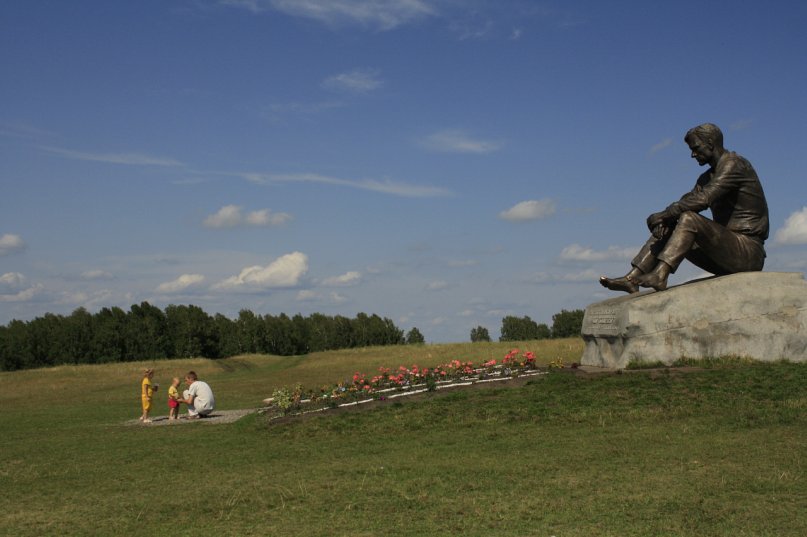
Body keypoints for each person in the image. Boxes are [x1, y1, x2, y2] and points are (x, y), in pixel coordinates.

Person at [600, 123, 769, 293]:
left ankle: (660, 275)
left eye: (696, 148)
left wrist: (663, 215)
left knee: (689, 218)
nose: (693, 154)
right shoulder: (706, 177)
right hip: (725, 255)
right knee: (674, 221)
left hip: (748, 252)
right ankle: (632, 278)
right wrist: (663, 218)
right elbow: (687, 201)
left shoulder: (734, 164)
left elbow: (703, 199)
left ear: (710, 143)